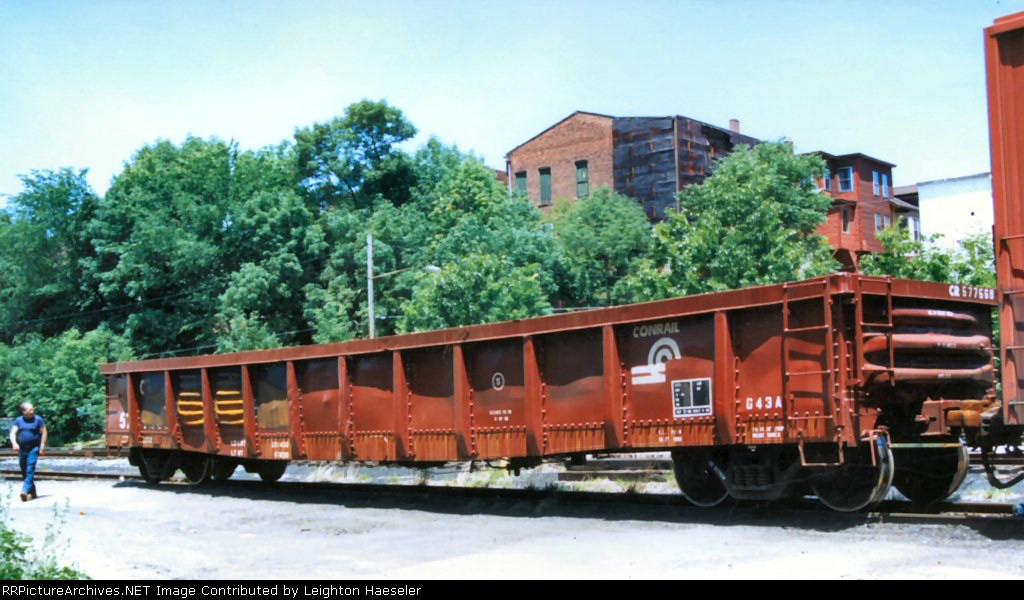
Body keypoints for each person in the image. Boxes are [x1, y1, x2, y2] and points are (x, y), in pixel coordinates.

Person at [9, 403, 46, 501]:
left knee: (30, 468)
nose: (32, 411)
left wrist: (42, 446)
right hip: (22, 449)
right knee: (24, 470)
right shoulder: (19, 420)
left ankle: (25, 490)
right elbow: (13, 433)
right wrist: (14, 443)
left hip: (34, 448)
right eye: (30, 410)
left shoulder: (38, 419)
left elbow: (44, 432)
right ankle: (32, 493)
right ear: (24, 411)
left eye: (33, 409)